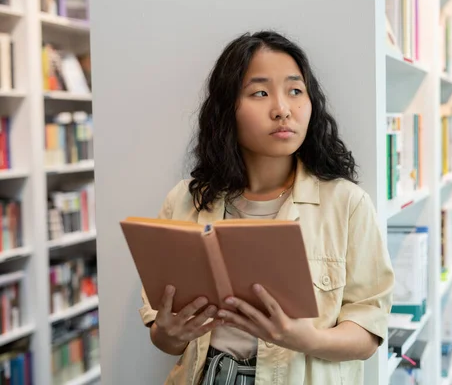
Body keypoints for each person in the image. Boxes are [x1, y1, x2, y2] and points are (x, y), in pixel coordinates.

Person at [138, 30, 395, 385]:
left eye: (295, 91)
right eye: (260, 93)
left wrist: (304, 339)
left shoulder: (347, 204)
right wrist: (169, 333)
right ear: (228, 108)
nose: (282, 109)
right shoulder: (184, 201)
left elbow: (369, 331)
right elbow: (163, 339)